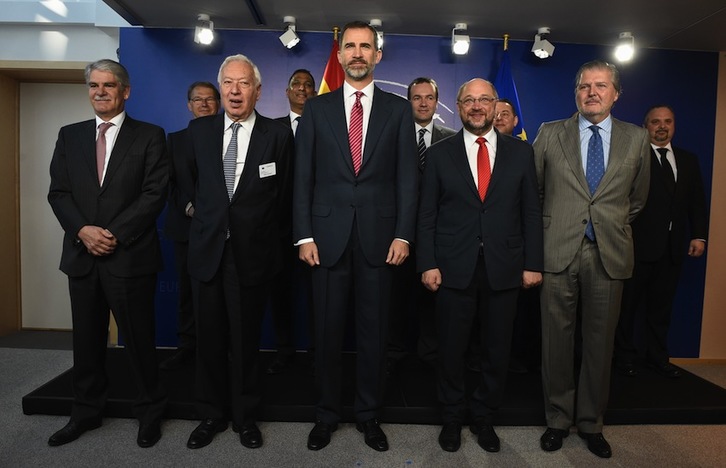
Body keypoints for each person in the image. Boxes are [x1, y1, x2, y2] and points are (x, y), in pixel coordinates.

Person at [294, 20, 418, 452]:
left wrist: (404, 235)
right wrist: (303, 235)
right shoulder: (317, 109)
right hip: (324, 240)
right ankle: (326, 415)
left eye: (366, 46)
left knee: (374, 333)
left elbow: (407, 180)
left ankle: (369, 416)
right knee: (326, 333)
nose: (358, 53)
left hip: (380, 241)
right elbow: (302, 179)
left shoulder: (399, 110)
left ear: (377, 55)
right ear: (341, 54)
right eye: (350, 46)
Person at [47, 59, 168, 448]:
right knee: (86, 342)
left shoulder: (150, 136)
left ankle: (149, 413)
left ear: (125, 91)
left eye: (109, 85)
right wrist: (83, 231)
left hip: (128, 257)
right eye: (93, 85)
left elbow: (154, 194)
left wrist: (112, 234)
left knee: (138, 341)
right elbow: (59, 193)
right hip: (82, 257)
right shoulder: (69, 136)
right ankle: (85, 413)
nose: (100, 91)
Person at [417, 78, 543, 453]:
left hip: (505, 266)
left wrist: (533, 262)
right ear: (457, 106)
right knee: (452, 349)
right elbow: (427, 215)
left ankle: (485, 417)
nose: (476, 106)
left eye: (484, 100)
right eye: (469, 100)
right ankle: (452, 417)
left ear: (494, 106)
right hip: (453, 267)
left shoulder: (521, 153)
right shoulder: (440, 153)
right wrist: (427, 262)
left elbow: (531, 213)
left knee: (496, 349)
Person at [533, 60, 650, 459]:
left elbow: (637, 200)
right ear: (576, 93)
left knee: (600, 344)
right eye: (584, 86)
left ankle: (591, 422)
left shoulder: (637, 139)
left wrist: (604, 224)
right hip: (557, 250)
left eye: (601, 86)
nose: (592, 92)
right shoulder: (550, 134)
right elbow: (534, 192)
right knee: (556, 343)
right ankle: (557, 420)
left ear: (616, 93)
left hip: (609, 253)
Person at [184, 54, 294, 450]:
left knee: (247, 342)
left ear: (257, 90)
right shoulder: (198, 132)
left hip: (253, 256)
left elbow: (284, 198)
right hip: (208, 253)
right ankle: (211, 414)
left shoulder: (278, 136)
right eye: (228, 82)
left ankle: (246, 416)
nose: (234, 90)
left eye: (243, 83)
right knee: (209, 340)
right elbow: (190, 186)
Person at [614, 105, 708, 378]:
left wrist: (698, 235)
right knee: (627, 308)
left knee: (661, 309)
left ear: (674, 126)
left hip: (673, 248)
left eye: (667, 121)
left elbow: (697, 203)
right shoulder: (634, 158)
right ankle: (624, 358)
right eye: (655, 122)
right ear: (646, 126)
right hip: (636, 247)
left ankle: (658, 357)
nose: (662, 126)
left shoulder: (688, 160)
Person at [388, 77, 456, 368]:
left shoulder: (453, 138)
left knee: (434, 299)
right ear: (409, 101)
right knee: (395, 299)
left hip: (439, 235)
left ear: (437, 102)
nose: (424, 103)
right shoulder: (393, 136)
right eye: (417, 98)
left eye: (429, 97)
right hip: (398, 233)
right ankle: (394, 354)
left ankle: (430, 356)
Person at [160, 81, 220, 371]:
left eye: (210, 99)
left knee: (219, 293)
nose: (205, 104)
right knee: (187, 291)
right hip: (186, 228)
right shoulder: (176, 139)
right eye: (198, 100)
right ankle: (188, 346)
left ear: (218, 103)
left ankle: (222, 348)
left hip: (223, 231)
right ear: (189, 105)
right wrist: (191, 208)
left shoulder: (230, 136)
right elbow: (168, 183)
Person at [266, 69, 317, 375]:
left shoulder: (327, 127)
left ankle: (317, 352)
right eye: (296, 84)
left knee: (317, 296)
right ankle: (284, 350)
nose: (302, 88)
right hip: (278, 228)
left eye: (308, 85)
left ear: (315, 93)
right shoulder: (271, 129)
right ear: (286, 92)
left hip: (317, 228)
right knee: (280, 292)